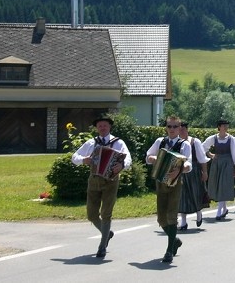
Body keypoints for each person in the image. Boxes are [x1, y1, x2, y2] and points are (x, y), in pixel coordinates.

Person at [71, 113, 132, 258]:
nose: (102, 128)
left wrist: (122, 165)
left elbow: (128, 158)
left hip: (111, 181)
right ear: (97, 128)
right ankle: (107, 233)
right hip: (94, 179)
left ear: (109, 127)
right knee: (91, 214)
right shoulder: (91, 143)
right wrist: (83, 160)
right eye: (100, 126)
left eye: (105, 125)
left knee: (106, 213)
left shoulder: (118, 142)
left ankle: (102, 246)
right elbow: (74, 157)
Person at [146, 115, 192, 264]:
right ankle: (175, 240)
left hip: (175, 183)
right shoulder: (160, 141)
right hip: (160, 182)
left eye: (174, 127)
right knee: (161, 218)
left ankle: (169, 251)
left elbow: (189, 165)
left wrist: (179, 170)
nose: (171, 129)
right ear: (166, 127)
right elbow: (148, 155)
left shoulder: (184, 144)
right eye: (169, 126)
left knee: (172, 216)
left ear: (180, 128)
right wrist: (152, 159)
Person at [202, 119, 235, 220]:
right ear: (219, 127)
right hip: (217, 163)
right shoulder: (214, 138)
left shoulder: (231, 139)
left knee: (223, 185)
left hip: (227, 163)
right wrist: (210, 154)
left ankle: (219, 211)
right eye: (223, 125)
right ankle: (224, 209)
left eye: (226, 125)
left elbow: (234, 154)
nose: (226, 127)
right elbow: (203, 147)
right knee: (218, 185)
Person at [178, 121, 209, 230]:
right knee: (182, 197)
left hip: (194, 171)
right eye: (180, 129)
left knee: (195, 194)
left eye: (183, 129)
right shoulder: (176, 142)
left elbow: (202, 159)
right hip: (180, 172)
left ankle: (199, 213)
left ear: (187, 130)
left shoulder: (195, 142)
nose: (181, 131)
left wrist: (204, 172)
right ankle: (183, 222)